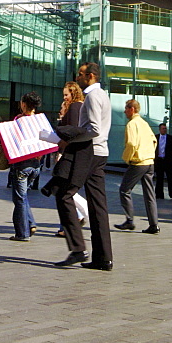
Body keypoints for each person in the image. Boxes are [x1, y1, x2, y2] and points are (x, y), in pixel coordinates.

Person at [50, 63, 114, 271]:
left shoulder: (94, 96)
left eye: (81, 74)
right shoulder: (102, 95)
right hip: (100, 152)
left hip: (89, 152)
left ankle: (78, 248)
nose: (78, 77)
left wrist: (70, 135)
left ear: (91, 76)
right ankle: (103, 258)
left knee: (64, 193)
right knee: (98, 206)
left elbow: (93, 129)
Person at [114, 100, 159, 234]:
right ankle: (154, 224)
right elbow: (154, 140)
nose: (124, 111)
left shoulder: (132, 124)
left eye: (126, 109)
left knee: (124, 189)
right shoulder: (144, 123)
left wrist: (127, 158)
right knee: (149, 193)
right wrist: (150, 154)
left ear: (132, 109)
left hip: (139, 162)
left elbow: (132, 143)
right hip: (149, 161)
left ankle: (129, 220)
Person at [8, 92, 43, 242]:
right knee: (23, 196)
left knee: (19, 199)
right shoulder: (40, 121)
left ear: (23, 104)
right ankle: (31, 223)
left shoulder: (19, 120)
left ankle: (22, 233)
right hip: (36, 165)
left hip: (22, 165)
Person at [154, 122, 172, 201]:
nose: (164, 130)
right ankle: (159, 194)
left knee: (170, 178)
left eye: (165, 129)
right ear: (160, 129)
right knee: (159, 178)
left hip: (167, 160)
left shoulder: (171, 138)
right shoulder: (155, 137)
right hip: (159, 160)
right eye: (163, 129)